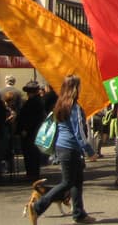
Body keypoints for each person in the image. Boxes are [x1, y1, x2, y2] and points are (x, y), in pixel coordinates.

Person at [28, 74, 98, 225]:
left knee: (76, 182)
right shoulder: (74, 107)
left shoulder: (60, 104)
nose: (81, 88)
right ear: (75, 88)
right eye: (79, 86)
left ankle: (79, 214)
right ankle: (37, 206)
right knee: (67, 182)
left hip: (62, 147)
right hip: (71, 148)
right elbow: (79, 131)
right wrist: (89, 151)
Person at [17, 81, 46, 181]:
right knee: (31, 153)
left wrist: (25, 129)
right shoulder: (35, 101)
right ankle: (32, 173)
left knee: (31, 153)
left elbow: (32, 118)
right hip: (32, 131)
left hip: (30, 132)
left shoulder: (34, 102)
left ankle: (32, 174)